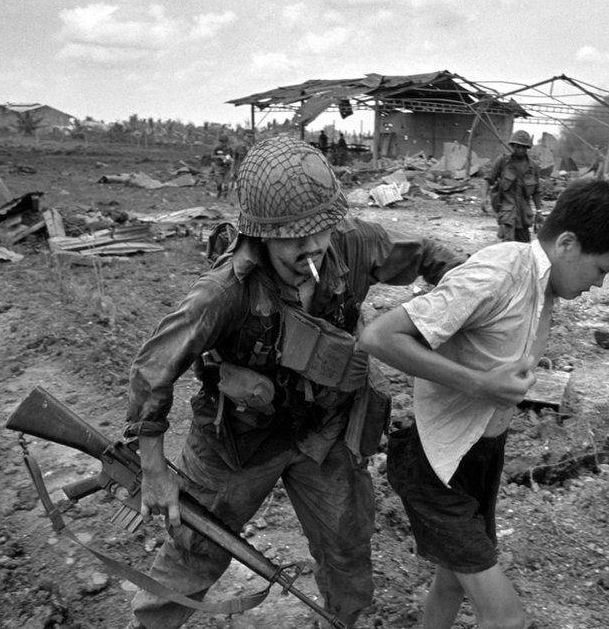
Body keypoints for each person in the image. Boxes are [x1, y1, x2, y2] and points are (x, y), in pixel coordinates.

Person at [125, 136, 463, 629]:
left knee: (347, 548)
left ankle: (341, 622)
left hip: (323, 435)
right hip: (238, 444)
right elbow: (153, 366)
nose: (311, 246)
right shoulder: (226, 290)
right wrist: (154, 469)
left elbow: (427, 255)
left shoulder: (351, 244)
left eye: (319, 230)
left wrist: (474, 297)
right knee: (194, 552)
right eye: (292, 236)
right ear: (261, 234)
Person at [358, 179, 609, 629]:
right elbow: (379, 336)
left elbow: (493, 346)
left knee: (454, 580)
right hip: (437, 468)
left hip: (479, 456)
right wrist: (477, 383)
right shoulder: (498, 274)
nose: (600, 285)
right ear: (567, 244)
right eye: (602, 270)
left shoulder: (542, 284)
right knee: (506, 618)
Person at [485, 130, 542, 242]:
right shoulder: (502, 161)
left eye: (523, 147)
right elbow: (488, 180)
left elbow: (536, 191)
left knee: (524, 248)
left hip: (524, 215)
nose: (520, 150)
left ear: (527, 148)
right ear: (513, 146)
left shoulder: (533, 167)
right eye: (517, 146)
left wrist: (539, 212)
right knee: (508, 246)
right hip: (507, 212)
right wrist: (484, 198)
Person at [209, 133, 234, 199]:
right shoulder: (217, 148)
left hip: (227, 168)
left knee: (226, 184)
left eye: (225, 142)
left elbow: (232, 158)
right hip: (219, 167)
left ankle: (225, 197)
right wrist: (220, 156)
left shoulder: (230, 149)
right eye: (222, 142)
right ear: (220, 142)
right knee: (219, 183)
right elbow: (212, 156)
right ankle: (219, 191)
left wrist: (230, 160)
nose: (223, 143)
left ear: (227, 142)